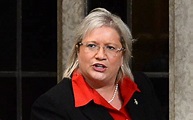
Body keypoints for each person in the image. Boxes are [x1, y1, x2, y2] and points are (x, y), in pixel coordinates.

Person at [30, 8, 163, 120]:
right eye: (92, 46)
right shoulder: (51, 106)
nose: (100, 55)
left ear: (122, 55)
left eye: (110, 47)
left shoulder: (141, 85)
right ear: (78, 51)